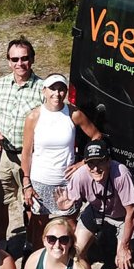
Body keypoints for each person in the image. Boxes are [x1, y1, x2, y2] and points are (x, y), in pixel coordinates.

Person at [58, 139, 134, 269]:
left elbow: (131, 212)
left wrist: (124, 246)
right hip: (95, 212)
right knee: (75, 252)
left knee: (123, 263)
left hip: (121, 217)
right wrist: (67, 207)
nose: (95, 168)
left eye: (100, 161)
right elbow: (72, 204)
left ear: (108, 160)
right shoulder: (81, 175)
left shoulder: (121, 174)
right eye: (90, 163)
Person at [20, 73, 102, 241]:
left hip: (66, 182)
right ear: (44, 91)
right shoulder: (34, 117)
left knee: (70, 229)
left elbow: (97, 137)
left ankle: (71, 264)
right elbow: (27, 152)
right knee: (40, 232)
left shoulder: (74, 113)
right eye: (52, 89)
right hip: (40, 182)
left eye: (61, 89)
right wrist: (26, 184)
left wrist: (83, 163)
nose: (56, 94)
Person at [0, 38, 44, 242]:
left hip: (31, 156)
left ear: (32, 59)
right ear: (8, 61)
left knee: (31, 202)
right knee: (0, 202)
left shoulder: (43, 89)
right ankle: (1, 243)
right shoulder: (0, 85)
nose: (20, 63)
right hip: (4, 155)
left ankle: (30, 242)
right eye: (15, 59)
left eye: (25, 58)